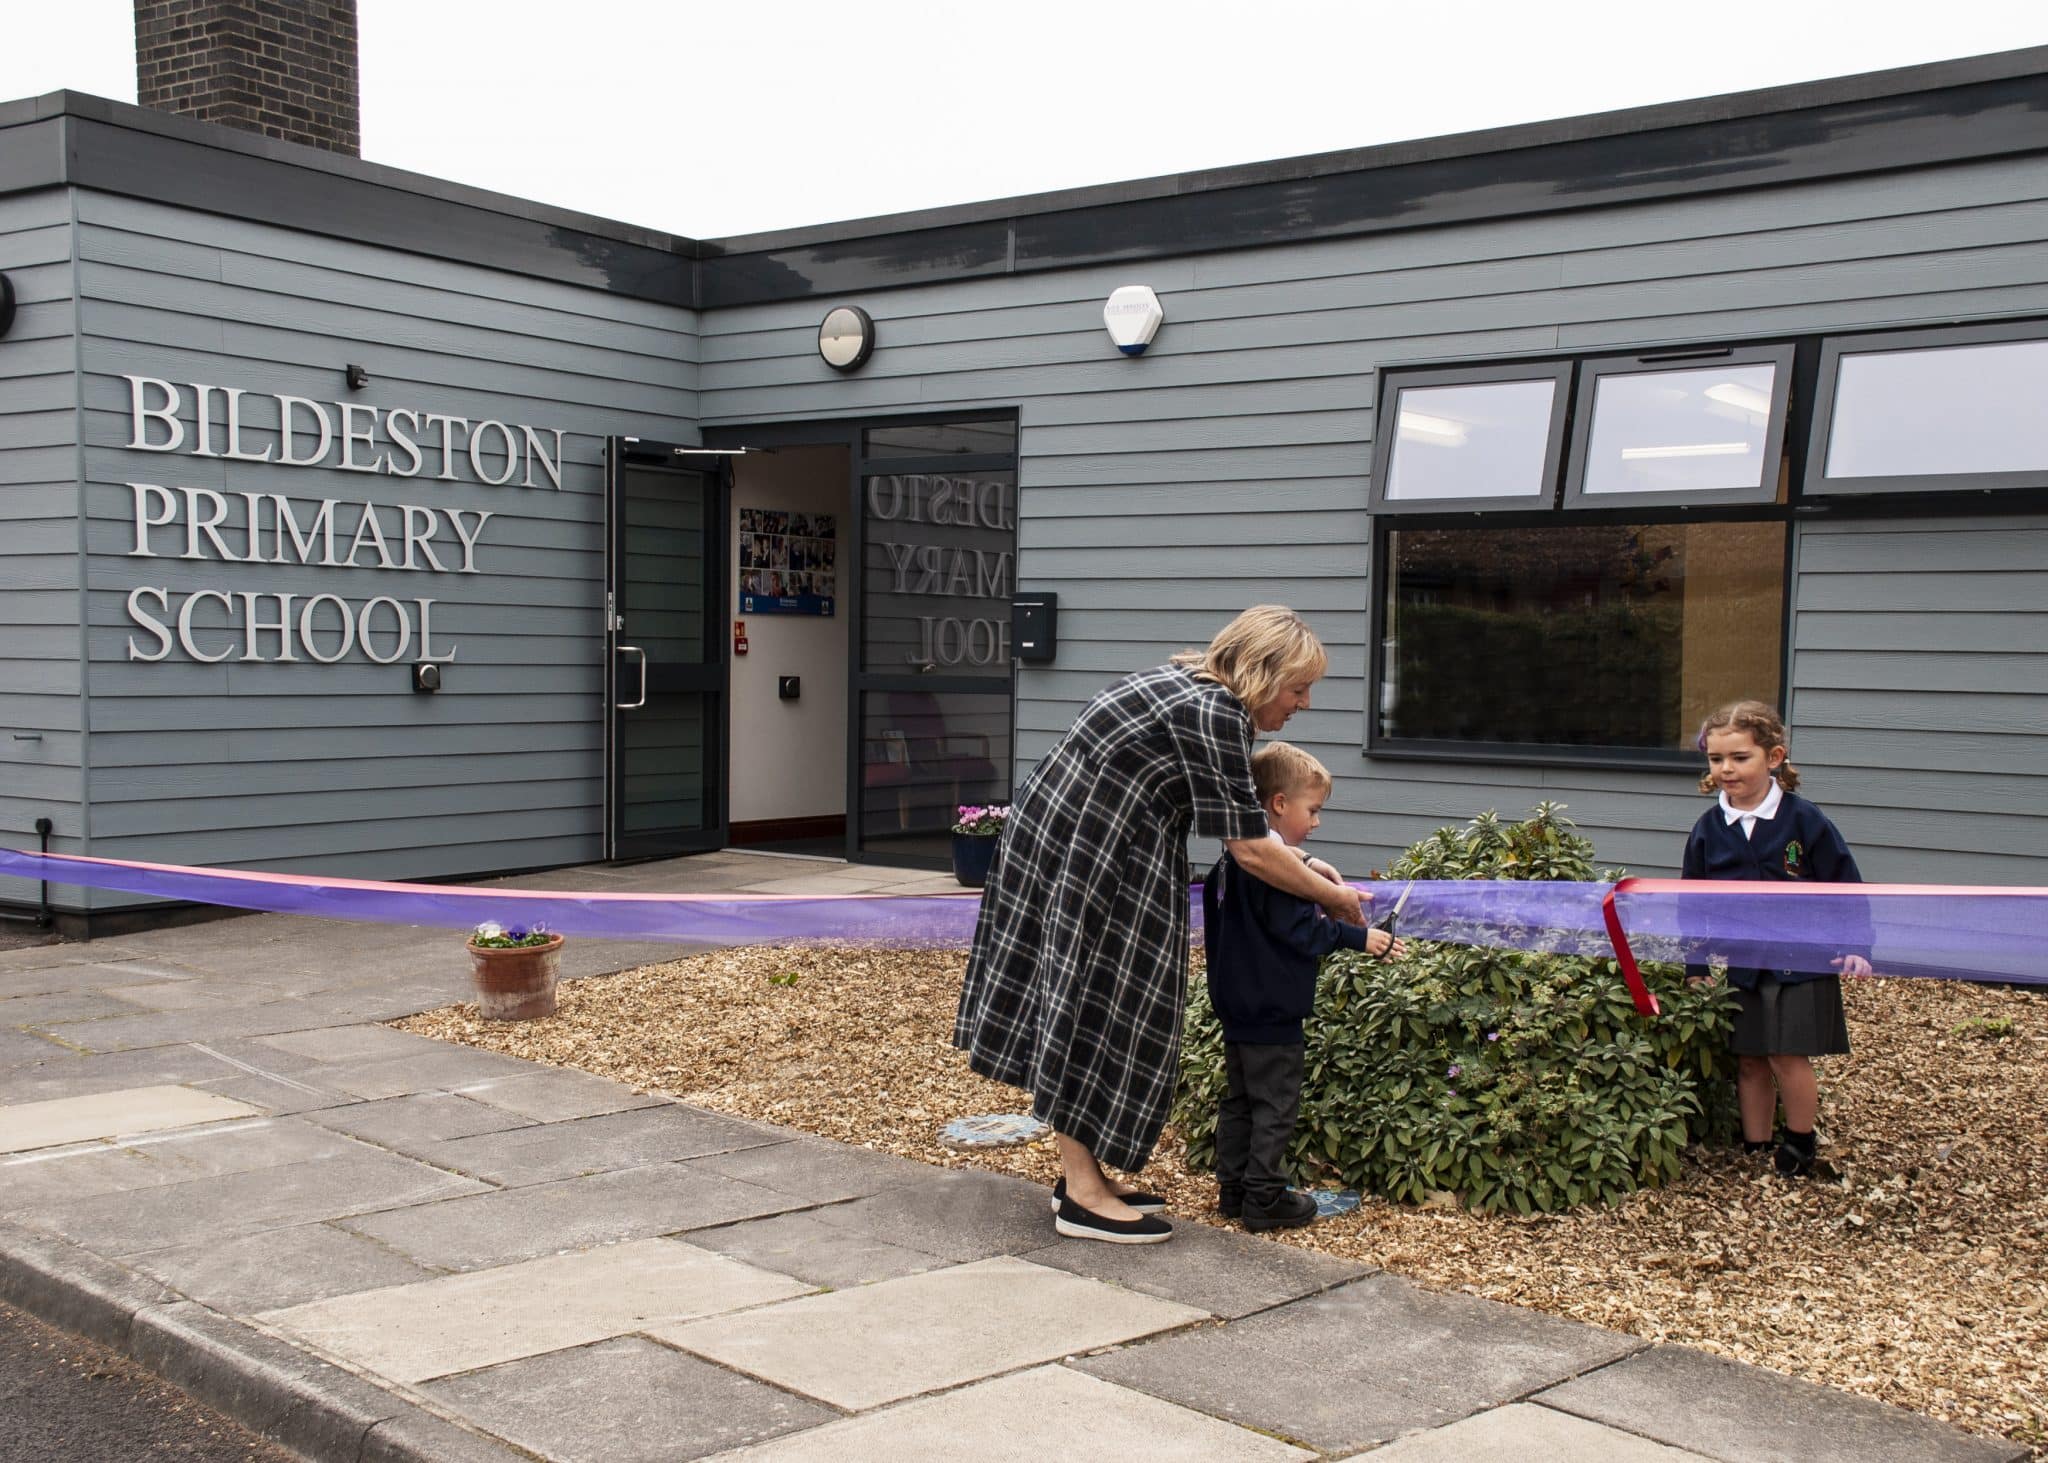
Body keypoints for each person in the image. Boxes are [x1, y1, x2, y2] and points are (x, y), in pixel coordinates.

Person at [954, 606, 1368, 1244]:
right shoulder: (1215, 714)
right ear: (1263, 675)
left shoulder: (1190, 688)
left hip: (1092, 847)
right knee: (1090, 1005)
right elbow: (1250, 848)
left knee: (1108, 1002)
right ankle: (1082, 1198)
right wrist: (1334, 901)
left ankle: (1084, 1175)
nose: (1304, 702)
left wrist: (1308, 863)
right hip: (1085, 856)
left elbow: (1252, 831)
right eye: (1298, 687)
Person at [1202, 742, 1402, 1231]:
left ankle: (1234, 1188)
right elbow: (1303, 931)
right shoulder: (1278, 877)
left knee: (1241, 1098)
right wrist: (1361, 937)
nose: (1315, 823)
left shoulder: (1233, 860)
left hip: (1236, 1004)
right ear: (1278, 804)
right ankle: (1265, 1197)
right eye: (1312, 811)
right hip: (1273, 1008)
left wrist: (1309, 865)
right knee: (1275, 1103)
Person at [1683, 700, 1871, 1177]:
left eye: (1740, 757)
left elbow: (1845, 884)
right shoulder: (1708, 831)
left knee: (1787, 1054)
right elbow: (1692, 905)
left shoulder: (1804, 821)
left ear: (1774, 756)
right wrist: (1697, 966)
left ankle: (1801, 1146)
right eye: (1716, 759)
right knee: (1749, 1059)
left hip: (1803, 959)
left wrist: (1856, 945)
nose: (1726, 769)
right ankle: (1756, 1147)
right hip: (1744, 962)